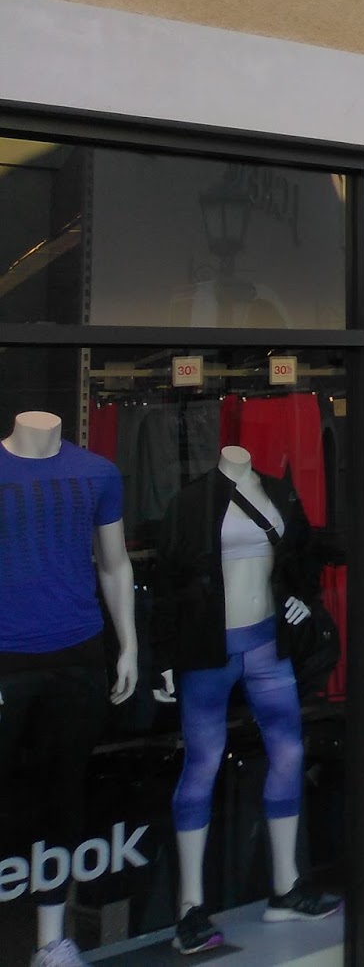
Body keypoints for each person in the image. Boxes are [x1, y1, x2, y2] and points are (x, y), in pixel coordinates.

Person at [154, 445, 339, 955]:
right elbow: (169, 580)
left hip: (265, 644)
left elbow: (302, 555)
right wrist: (162, 656)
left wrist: (304, 599)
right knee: (202, 763)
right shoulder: (192, 501)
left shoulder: (277, 493)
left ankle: (286, 884)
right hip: (209, 650)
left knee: (289, 752)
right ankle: (190, 906)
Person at [0, 411, 138, 967]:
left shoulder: (98, 472)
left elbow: (115, 564)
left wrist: (128, 645)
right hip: (6, 657)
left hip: (77, 654)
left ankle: (51, 940)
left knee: (63, 795)